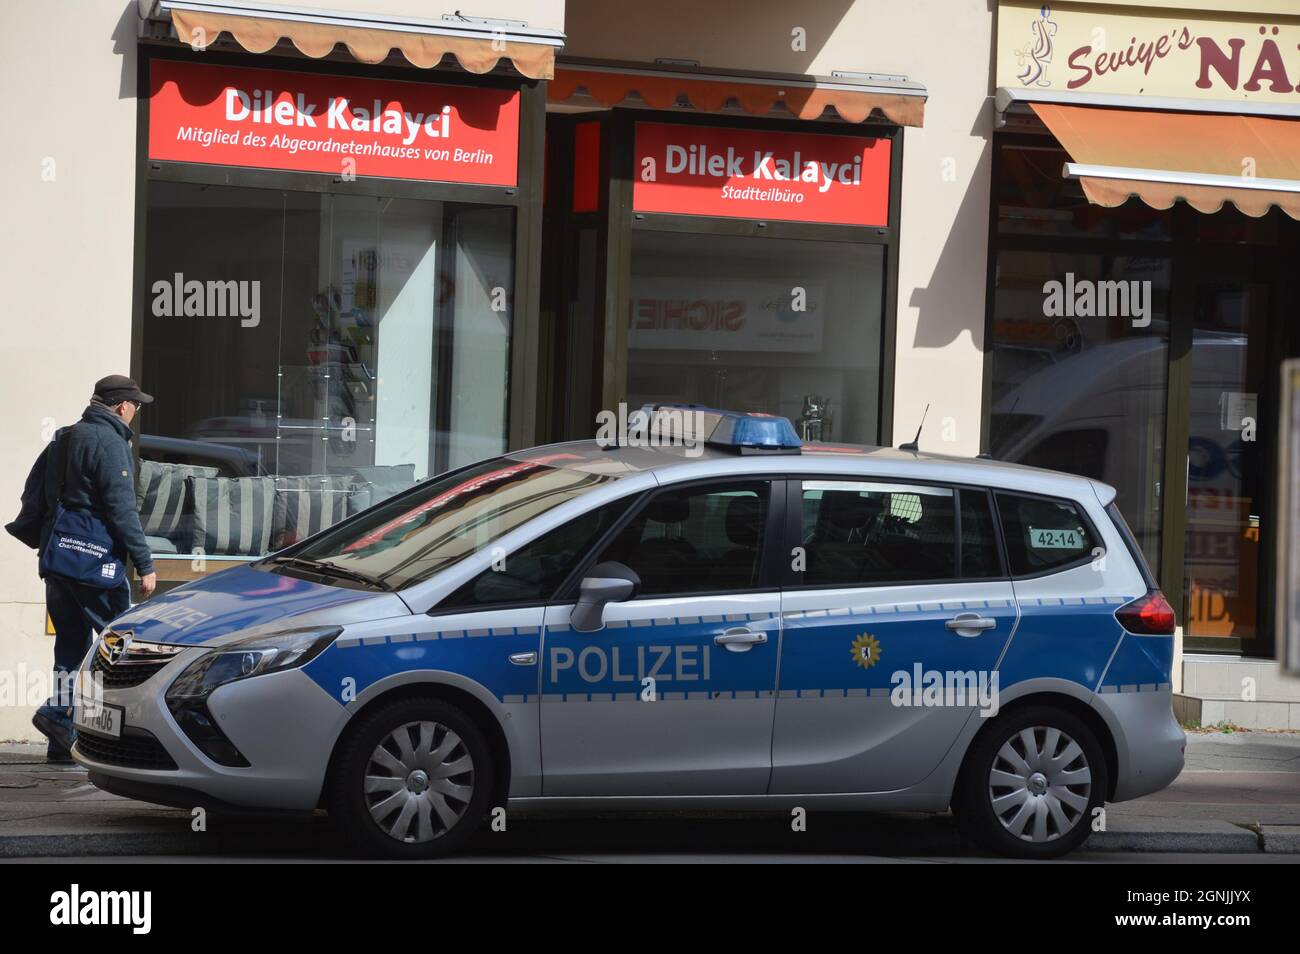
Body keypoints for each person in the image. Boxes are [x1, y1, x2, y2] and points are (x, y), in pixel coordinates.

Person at [6, 375, 157, 762]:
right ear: (122, 406)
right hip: (95, 561)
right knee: (121, 645)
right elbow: (122, 509)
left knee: (70, 647)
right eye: (135, 404)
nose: (136, 411)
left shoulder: (65, 436)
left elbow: (33, 492)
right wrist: (145, 563)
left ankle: (63, 737)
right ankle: (69, 718)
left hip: (58, 557)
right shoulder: (110, 441)